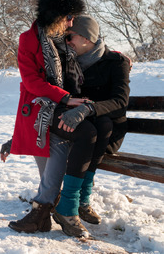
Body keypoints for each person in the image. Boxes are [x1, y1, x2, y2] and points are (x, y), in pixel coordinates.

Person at [0, 0, 86, 233]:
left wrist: (116, 56)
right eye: (68, 16)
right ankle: (45, 211)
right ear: (54, 15)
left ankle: (42, 209)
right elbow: (31, 81)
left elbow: (90, 46)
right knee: (45, 156)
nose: (71, 22)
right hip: (40, 104)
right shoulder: (28, 39)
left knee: (54, 148)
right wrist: (64, 97)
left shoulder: (66, 38)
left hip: (63, 106)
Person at [52, 15, 130, 237]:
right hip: (79, 127)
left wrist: (89, 109)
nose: (67, 42)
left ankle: (77, 201)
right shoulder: (67, 62)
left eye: (70, 37)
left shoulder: (116, 62)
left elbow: (120, 101)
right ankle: (74, 203)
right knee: (93, 129)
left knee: (103, 125)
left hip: (106, 131)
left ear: (86, 38)